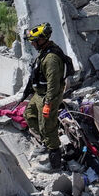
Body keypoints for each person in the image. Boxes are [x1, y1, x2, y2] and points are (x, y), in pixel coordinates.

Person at [23, 22, 72, 172]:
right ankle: (45, 143)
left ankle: (54, 163)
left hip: (48, 96)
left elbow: (53, 84)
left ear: (42, 39)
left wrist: (48, 103)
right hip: (39, 94)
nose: (32, 44)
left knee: (48, 127)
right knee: (29, 115)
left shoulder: (51, 58)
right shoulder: (44, 51)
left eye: (34, 41)